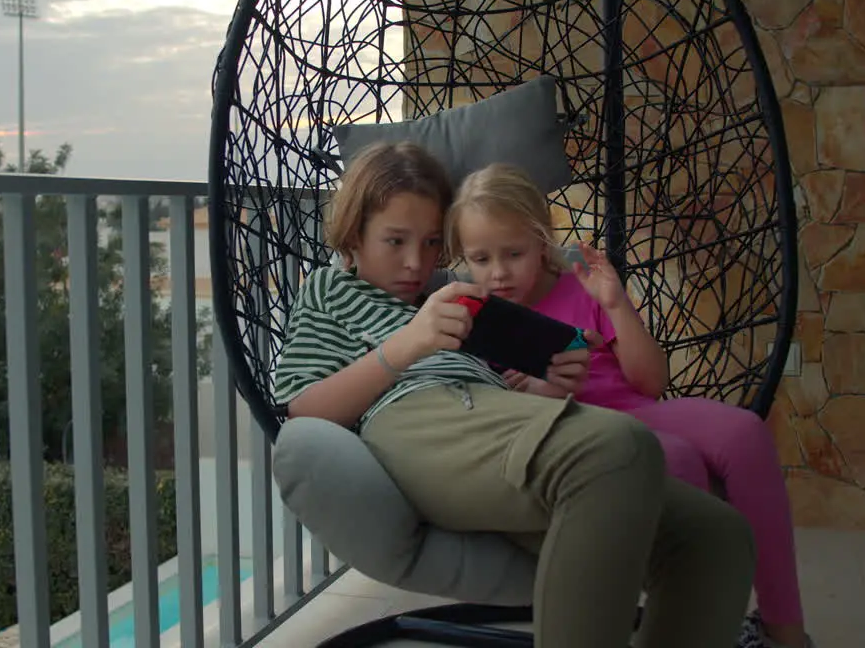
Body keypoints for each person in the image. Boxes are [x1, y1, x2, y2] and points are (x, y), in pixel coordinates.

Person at [273, 141, 755, 648]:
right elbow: (303, 408)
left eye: (433, 243)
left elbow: (498, 410)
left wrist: (550, 387)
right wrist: (407, 346)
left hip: (491, 421)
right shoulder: (331, 290)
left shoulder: (448, 307)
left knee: (717, 539)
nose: (417, 262)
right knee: (619, 446)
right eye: (395, 241)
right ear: (354, 233)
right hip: (413, 418)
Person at [446, 163, 813, 648]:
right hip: (572, 431)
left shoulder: (581, 289)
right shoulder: (474, 320)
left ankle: (782, 632)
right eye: (480, 258)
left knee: (744, 432)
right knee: (672, 456)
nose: (498, 272)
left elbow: (651, 383)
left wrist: (617, 304)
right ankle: (695, 622)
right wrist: (540, 393)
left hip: (630, 406)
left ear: (542, 241)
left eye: (513, 253)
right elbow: (486, 414)